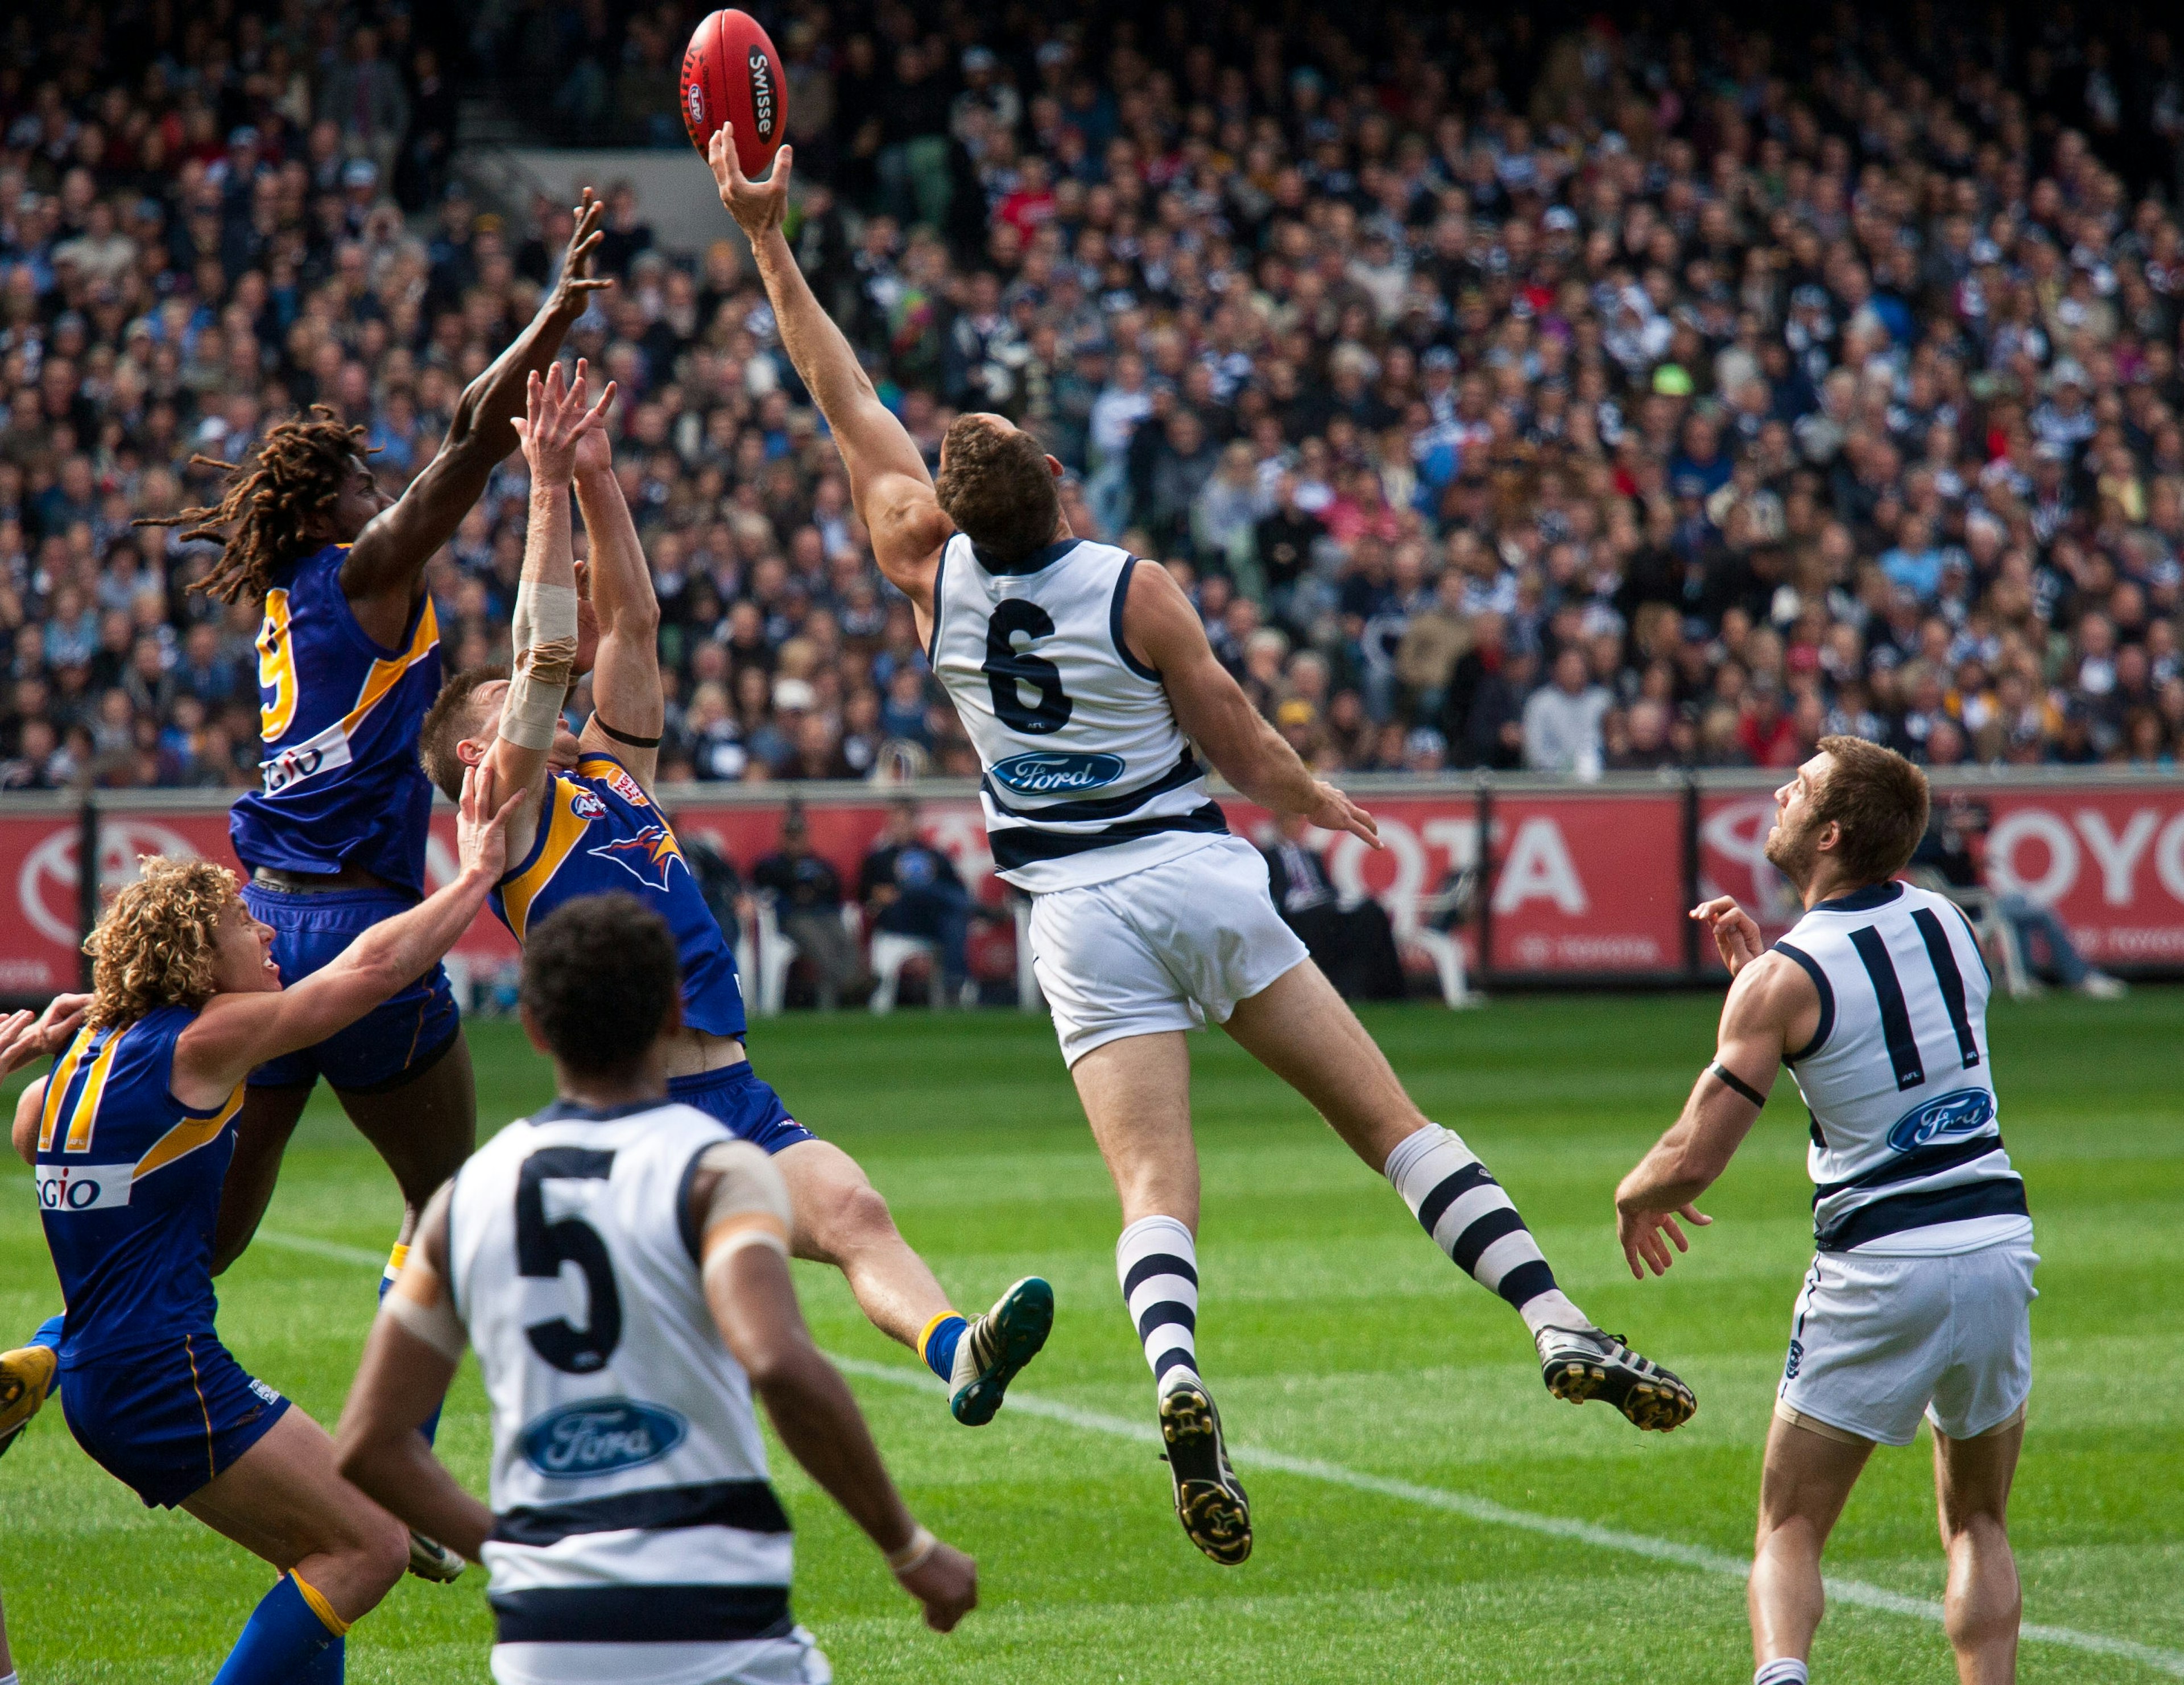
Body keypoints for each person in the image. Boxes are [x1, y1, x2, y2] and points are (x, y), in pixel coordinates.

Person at [709, 124, 1694, 1568]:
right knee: (1389, 1127)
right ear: (1056, 481)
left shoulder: (924, 571)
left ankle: (1177, 1382)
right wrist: (1317, 802)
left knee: (1153, 1194)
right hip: (1194, 872)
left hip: (1075, 914)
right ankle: (1550, 1317)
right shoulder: (1135, 588)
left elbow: (835, 388)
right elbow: (1236, 737)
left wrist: (763, 236)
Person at [413, 361, 1049, 1427]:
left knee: (853, 1208)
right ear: (482, 744)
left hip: (731, 1088)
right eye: (513, 697)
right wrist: (546, 482)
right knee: (690, 1347)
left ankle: (956, 1349)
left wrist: (603, 480)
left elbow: (635, 625)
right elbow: (551, 650)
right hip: (640, 1103)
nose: (550, 696)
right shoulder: (507, 806)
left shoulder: (608, 775)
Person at [136, 195, 613, 1335]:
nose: (377, 489)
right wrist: (550, 319)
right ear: (324, 509)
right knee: (444, 1200)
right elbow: (467, 435)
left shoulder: (283, 602)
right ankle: (403, 1459)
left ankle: (57, 1352)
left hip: (263, 934)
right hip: (362, 933)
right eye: (358, 481)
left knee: (218, 1235)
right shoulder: (363, 570)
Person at [335, 894, 979, 1684]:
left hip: (547, 1639)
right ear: (678, 1011)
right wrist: (906, 1545)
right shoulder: (714, 1169)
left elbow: (368, 1440)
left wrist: (511, 1548)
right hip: (712, 1610)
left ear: (534, 1028)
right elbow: (779, 1363)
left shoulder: (470, 1194)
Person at [6, 765, 522, 1684]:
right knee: (371, 1545)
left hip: (103, 1374)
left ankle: (42, 1351)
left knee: (321, 1546)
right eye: (247, 924)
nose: (268, 929)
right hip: (164, 1376)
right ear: (200, 964)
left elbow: (29, 1130)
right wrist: (476, 875)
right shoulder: (200, 1046)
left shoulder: (73, 1072)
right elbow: (371, 970)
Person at [1614, 737, 2034, 1685]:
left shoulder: (1784, 978)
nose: (1778, 792)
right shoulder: (1950, 922)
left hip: (1882, 1257)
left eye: (1797, 788)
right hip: (1999, 1239)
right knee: (1979, 1518)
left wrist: (1636, 1191)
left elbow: (1694, 1159)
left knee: (1791, 1521)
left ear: (1831, 832)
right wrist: (1763, 994)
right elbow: (1886, 1042)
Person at [1260, 813, 1405, 1001]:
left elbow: (1326, 887)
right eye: (1290, 821)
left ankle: (1384, 988)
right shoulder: (1268, 856)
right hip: (1297, 911)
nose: (1296, 827)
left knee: (1370, 912)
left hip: (1324, 902)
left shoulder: (1312, 855)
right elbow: (1277, 894)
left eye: (1298, 822)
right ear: (1278, 825)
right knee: (1324, 920)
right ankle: (1341, 985)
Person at [858, 799, 973, 1005]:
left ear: (915, 824)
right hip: (899, 920)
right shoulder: (879, 859)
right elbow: (864, 893)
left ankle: (953, 984)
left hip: (930, 922)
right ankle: (956, 982)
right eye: (895, 823)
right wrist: (879, 893)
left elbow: (957, 889)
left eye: (904, 823)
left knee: (953, 916)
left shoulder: (934, 855)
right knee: (939, 902)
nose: (899, 828)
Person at [752, 803, 863, 1008]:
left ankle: (848, 989)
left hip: (824, 914)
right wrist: (798, 886)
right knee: (821, 944)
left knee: (844, 938)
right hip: (792, 917)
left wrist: (812, 890)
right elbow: (764, 881)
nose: (795, 841)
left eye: (799, 836)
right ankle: (851, 987)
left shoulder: (819, 863)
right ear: (783, 837)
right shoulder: (772, 863)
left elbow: (835, 887)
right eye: (790, 836)